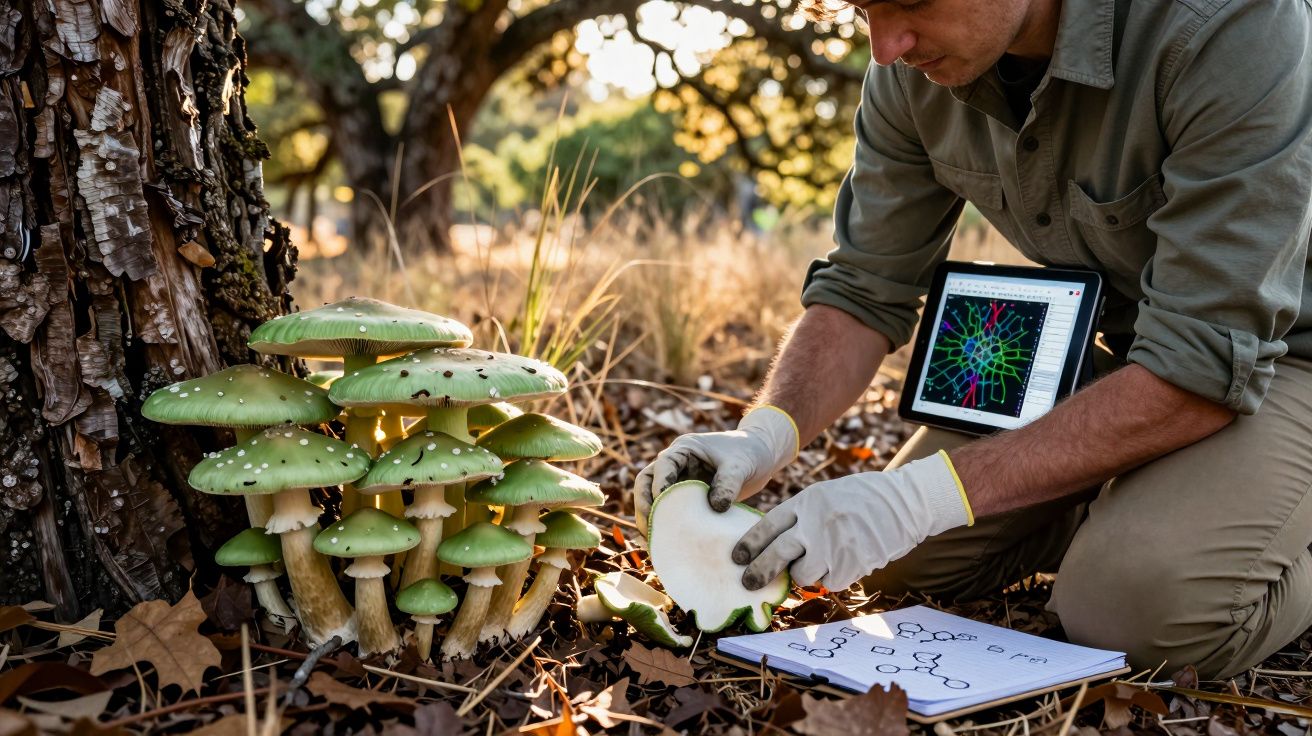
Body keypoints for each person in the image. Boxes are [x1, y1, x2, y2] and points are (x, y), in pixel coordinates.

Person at [634, 0, 1312, 680]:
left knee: (1132, 611)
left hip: (1280, 354)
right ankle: (1161, 513)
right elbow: (865, 287)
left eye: (910, 2)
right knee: (910, 562)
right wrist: (762, 437)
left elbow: (1200, 356)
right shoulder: (912, 66)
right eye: (863, 9)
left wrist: (914, 498)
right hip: (1131, 350)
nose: (885, 46)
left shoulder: (1231, 22)